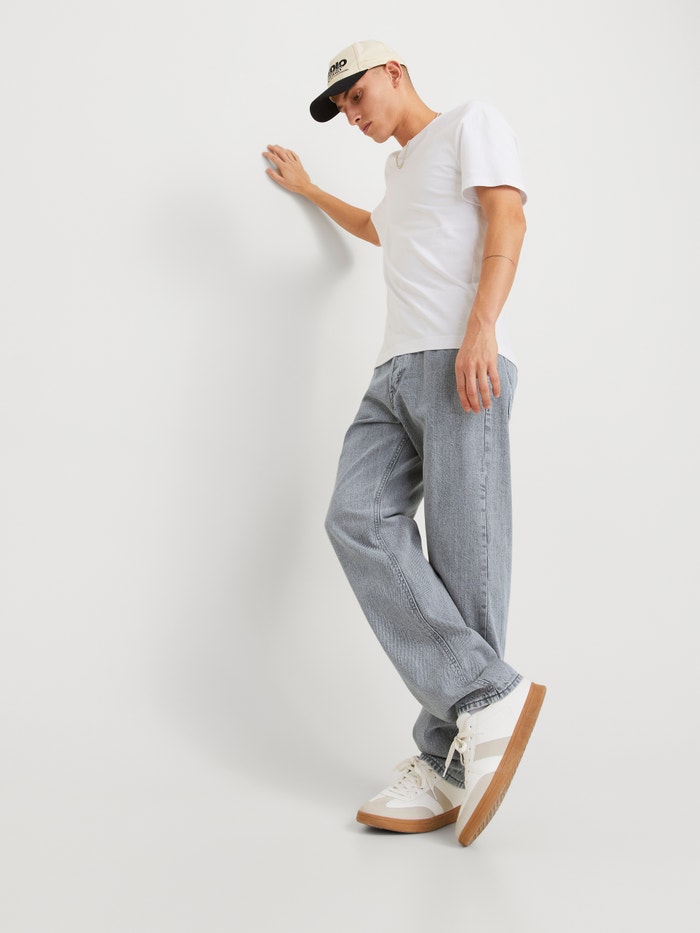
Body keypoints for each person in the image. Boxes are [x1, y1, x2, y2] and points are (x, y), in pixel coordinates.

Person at [263, 39, 545, 847]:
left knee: (465, 561)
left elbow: (506, 215)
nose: (352, 115)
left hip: (461, 358)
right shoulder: (397, 172)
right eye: (340, 109)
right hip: (393, 372)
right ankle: (484, 696)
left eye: (356, 96)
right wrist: (310, 189)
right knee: (355, 516)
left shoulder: (469, 123)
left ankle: (446, 756)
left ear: (395, 71)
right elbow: (379, 228)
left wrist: (482, 326)